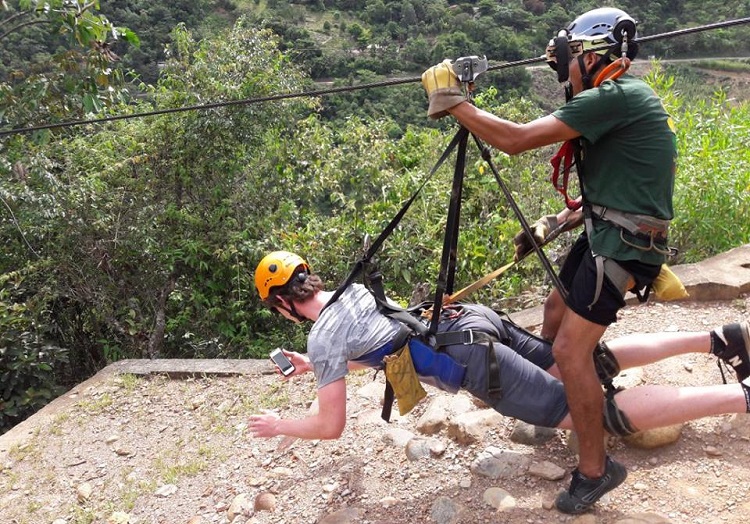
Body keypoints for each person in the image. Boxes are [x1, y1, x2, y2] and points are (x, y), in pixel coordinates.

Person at [248, 250, 750, 514]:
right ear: (308, 279)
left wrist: (280, 425)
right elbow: (389, 343)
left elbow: (330, 425)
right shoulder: (351, 290)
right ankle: (716, 339)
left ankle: (741, 397)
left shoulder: (323, 336)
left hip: (471, 358)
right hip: (472, 320)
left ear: (281, 304)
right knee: (581, 363)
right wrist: (320, 366)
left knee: (589, 414)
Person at [420, 7, 681, 512]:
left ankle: (595, 468)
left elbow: (516, 140)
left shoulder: (615, 96)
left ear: (594, 54)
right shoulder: (620, 98)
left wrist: (453, 102)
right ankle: (561, 398)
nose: (566, 68)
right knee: (555, 311)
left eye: (571, 57)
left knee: (569, 350)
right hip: (610, 230)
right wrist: (555, 223)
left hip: (622, 245)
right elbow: (623, 183)